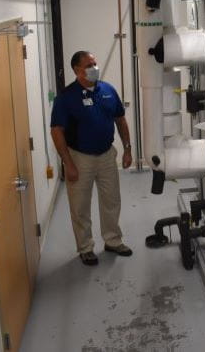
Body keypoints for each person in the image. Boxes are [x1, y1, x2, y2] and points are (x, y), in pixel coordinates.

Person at [50, 51, 133, 266]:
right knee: (80, 206)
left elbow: (120, 120)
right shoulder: (66, 98)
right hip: (79, 158)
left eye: (95, 63)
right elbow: (57, 131)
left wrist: (127, 148)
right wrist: (68, 163)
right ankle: (86, 248)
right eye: (89, 65)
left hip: (106, 155)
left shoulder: (107, 90)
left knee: (112, 200)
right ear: (77, 70)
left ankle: (113, 241)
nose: (94, 67)